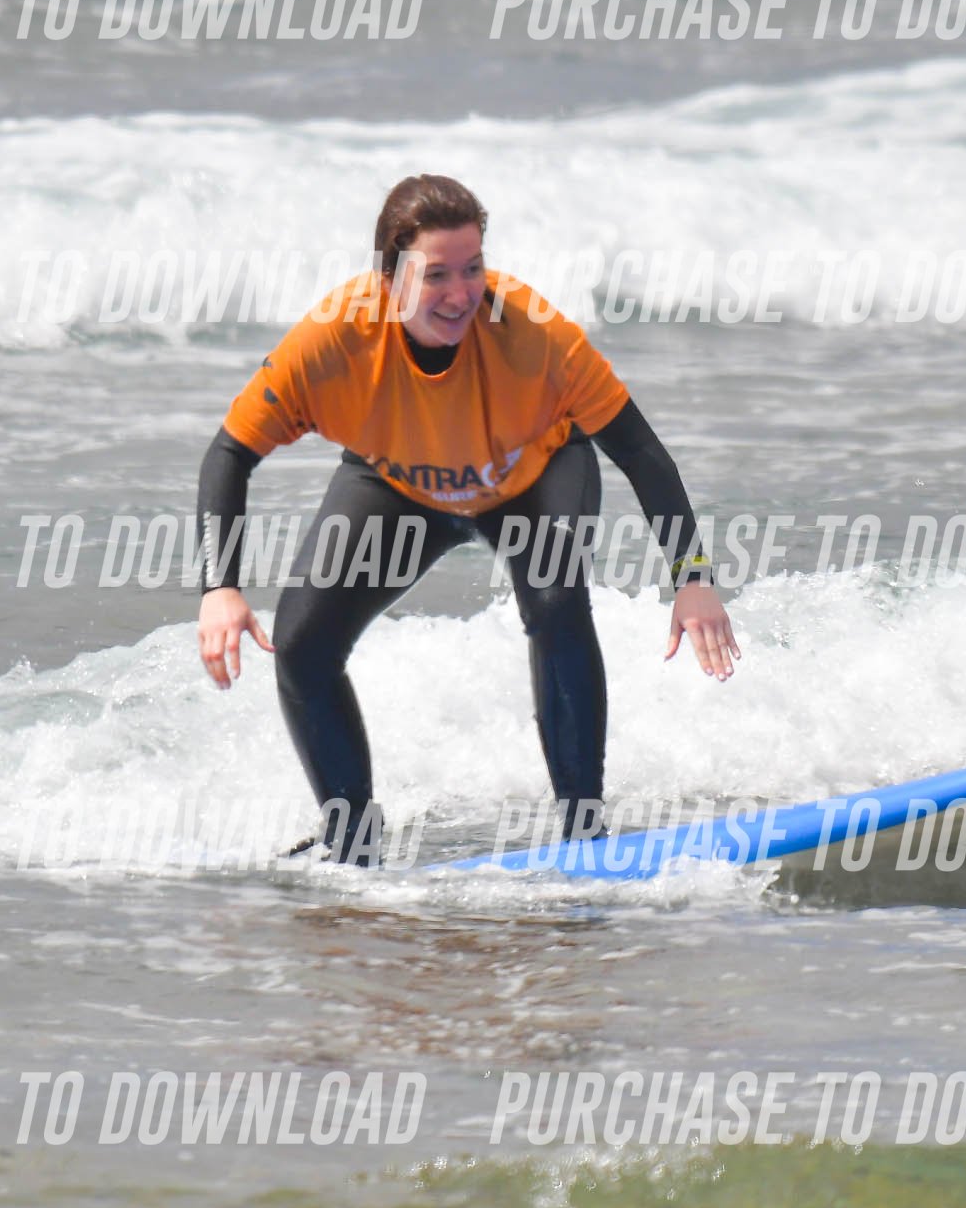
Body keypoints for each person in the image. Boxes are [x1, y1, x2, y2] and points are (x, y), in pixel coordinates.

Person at [195, 175, 737, 863]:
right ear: (388, 279)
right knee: (303, 646)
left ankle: (584, 836)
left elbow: (639, 450)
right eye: (436, 275)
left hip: (533, 477)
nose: (461, 294)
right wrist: (220, 585)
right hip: (398, 487)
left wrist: (693, 576)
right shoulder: (334, 340)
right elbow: (229, 453)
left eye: (473, 267)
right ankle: (351, 843)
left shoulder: (535, 334)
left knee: (556, 600)